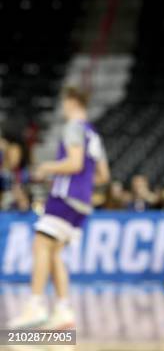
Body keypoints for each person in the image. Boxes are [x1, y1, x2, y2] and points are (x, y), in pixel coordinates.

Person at [8, 87, 110, 329]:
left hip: (65, 198)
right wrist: (80, 183)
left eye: (65, 102)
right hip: (83, 202)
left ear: (73, 101)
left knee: (40, 244)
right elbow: (103, 175)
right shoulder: (93, 134)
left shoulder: (73, 127)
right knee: (54, 253)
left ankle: (35, 305)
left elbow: (74, 164)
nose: (63, 108)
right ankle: (64, 310)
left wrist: (47, 168)